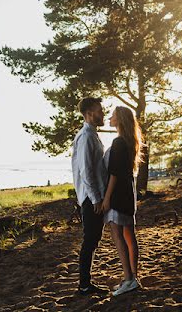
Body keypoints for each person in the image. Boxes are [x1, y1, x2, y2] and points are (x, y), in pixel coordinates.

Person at [101, 105, 144, 296]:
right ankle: (133, 277)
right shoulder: (130, 142)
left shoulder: (119, 142)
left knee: (118, 235)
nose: (110, 118)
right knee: (130, 236)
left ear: (120, 120)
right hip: (128, 193)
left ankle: (128, 279)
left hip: (118, 194)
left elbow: (114, 174)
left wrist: (107, 198)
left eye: (113, 116)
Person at [71, 96, 106, 295]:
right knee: (90, 240)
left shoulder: (92, 135)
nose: (102, 114)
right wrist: (96, 199)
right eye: (99, 110)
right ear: (90, 113)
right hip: (89, 199)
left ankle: (86, 283)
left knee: (93, 239)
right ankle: (84, 284)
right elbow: (86, 171)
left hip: (93, 197)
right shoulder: (85, 136)